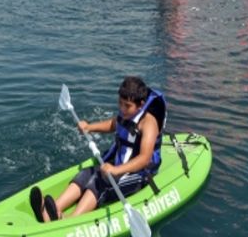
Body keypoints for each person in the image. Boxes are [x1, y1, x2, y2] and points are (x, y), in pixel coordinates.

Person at [29, 76, 167, 222]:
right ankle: (52, 210)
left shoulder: (149, 123)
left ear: (141, 105)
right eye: (120, 103)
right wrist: (89, 127)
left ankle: (70, 220)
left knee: (101, 183)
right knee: (85, 174)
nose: (122, 109)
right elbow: (113, 124)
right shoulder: (127, 113)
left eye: (127, 105)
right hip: (120, 163)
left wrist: (116, 170)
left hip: (139, 174)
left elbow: (145, 159)